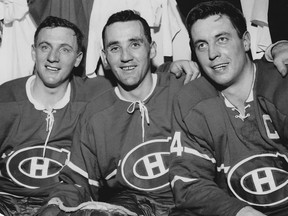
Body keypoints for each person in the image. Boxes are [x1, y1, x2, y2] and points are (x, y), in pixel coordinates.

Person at [38, 10, 192, 216]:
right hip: (128, 207)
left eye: (135, 44)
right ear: (105, 57)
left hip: (188, 203)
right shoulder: (95, 113)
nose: (126, 56)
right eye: (115, 48)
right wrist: (55, 205)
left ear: (152, 49)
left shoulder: (184, 90)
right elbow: (76, 182)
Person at [169, 1, 288, 216]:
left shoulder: (280, 81)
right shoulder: (191, 99)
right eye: (202, 45)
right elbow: (189, 184)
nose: (212, 53)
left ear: (245, 42)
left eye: (221, 39)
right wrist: (241, 213)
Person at [0, 15, 114, 216]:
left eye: (65, 49)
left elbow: (136, 83)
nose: (53, 57)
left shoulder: (96, 94)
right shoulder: (6, 97)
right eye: (45, 47)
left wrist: (173, 70)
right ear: (34, 52)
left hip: (64, 204)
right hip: (5, 199)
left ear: (78, 59)